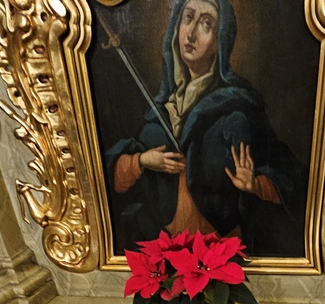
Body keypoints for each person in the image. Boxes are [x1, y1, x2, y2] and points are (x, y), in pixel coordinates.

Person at [105, 0, 307, 256]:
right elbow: (111, 178)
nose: (191, 34)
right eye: (188, 18)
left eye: (206, 25)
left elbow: (289, 173)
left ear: (219, 41)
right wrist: (142, 161)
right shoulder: (160, 108)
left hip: (221, 252)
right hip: (167, 249)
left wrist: (256, 185)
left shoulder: (239, 107)